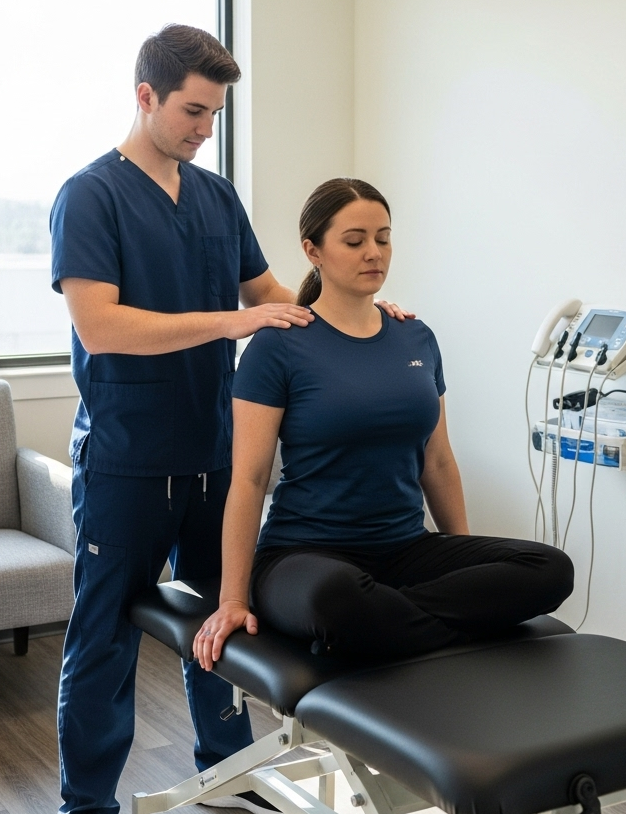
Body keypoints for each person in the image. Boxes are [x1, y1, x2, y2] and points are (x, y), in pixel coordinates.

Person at [51, 30, 410, 814]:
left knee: (229, 624)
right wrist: (231, 324)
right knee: (103, 641)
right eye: (192, 110)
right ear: (146, 96)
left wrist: (354, 308)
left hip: (215, 456)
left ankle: (230, 773)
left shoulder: (215, 198)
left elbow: (274, 299)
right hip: (129, 461)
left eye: (214, 112)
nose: (204, 128)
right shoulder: (90, 197)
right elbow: (101, 325)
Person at [193, 178, 574, 675]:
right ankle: (375, 622)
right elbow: (248, 479)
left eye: (383, 238)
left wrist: (461, 555)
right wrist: (231, 599)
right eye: (354, 241)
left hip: (405, 551)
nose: (374, 252)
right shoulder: (278, 346)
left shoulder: (415, 337)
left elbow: (437, 460)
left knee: (550, 569)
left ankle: (377, 629)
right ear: (314, 251)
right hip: (304, 556)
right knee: (338, 598)